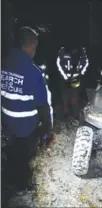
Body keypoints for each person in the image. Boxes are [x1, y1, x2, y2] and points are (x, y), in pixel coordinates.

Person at [1, 26, 53, 191]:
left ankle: (9, 177)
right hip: (26, 127)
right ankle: (22, 185)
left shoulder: (4, 64)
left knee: (11, 150)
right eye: (35, 47)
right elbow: (42, 105)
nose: (35, 52)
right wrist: (47, 128)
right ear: (30, 45)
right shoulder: (34, 72)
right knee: (24, 156)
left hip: (6, 121)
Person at [56, 46, 89, 123]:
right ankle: (66, 114)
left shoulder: (81, 51)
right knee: (65, 97)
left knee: (75, 96)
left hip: (75, 79)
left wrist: (81, 73)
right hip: (64, 80)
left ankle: (75, 115)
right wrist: (65, 76)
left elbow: (86, 63)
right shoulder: (63, 51)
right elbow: (58, 64)